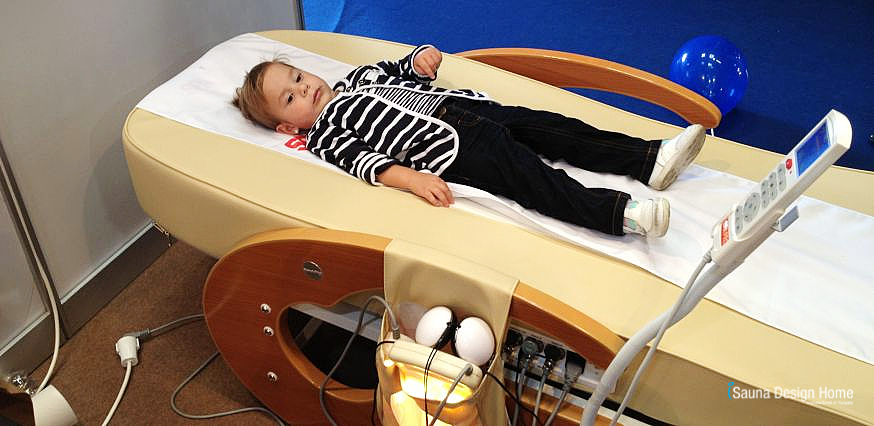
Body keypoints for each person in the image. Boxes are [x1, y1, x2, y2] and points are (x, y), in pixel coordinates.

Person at [233, 45, 706, 238]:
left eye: (298, 77)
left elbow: (402, 68)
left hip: (475, 110)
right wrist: (413, 180)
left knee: (558, 128)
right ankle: (622, 215)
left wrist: (421, 58)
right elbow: (366, 162)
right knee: (536, 182)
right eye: (290, 98)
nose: (305, 89)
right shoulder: (325, 133)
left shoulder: (359, 77)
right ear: (288, 128)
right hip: (454, 150)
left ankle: (650, 159)